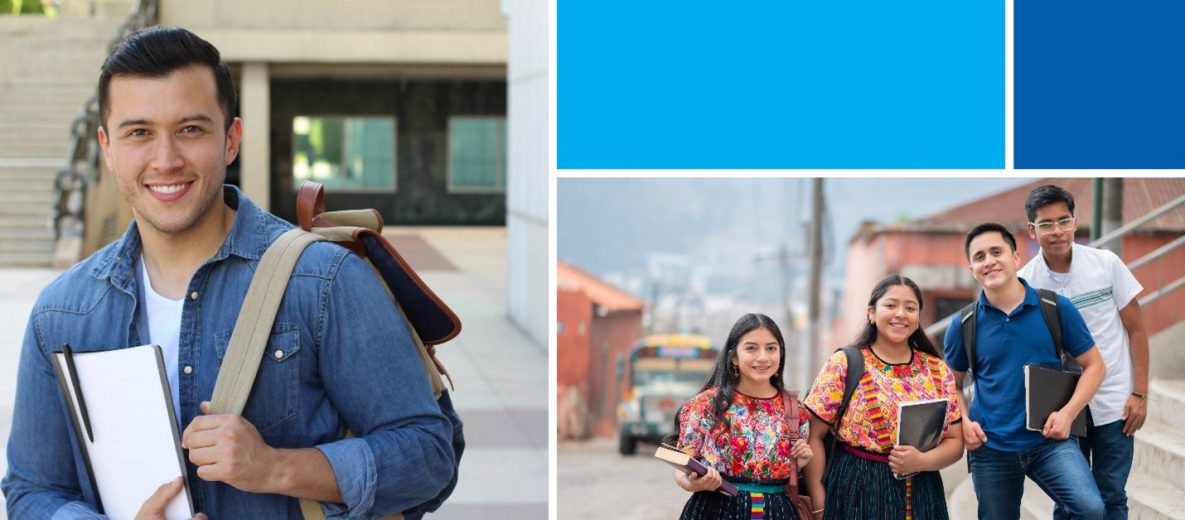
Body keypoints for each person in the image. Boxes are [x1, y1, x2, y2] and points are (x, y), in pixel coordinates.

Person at [1, 27, 454, 519]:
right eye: (139, 133)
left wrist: (276, 467)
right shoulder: (62, 312)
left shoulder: (324, 281)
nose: (166, 159)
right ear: (107, 148)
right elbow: (32, 490)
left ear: (231, 139)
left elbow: (430, 457)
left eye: (191, 129)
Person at [944, 223, 1107, 519]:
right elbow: (950, 384)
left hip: (1050, 443)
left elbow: (1095, 366)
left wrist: (1068, 413)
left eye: (997, 251)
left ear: (1016, 257)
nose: (989, 260)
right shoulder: (963, 324)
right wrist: (964, 421)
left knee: (1090, 509)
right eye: (979, 256)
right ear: (972, 269)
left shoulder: (1055, 308)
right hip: (991, 448)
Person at [1018, 185, 1148, 520]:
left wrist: (1140, 393)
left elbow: (1137, 329)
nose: (1057, 231)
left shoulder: (1107, 264)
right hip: (1059, 407)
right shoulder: (1024, 283)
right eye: (1047, 224)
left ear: (1076, 223)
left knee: (1112, 496)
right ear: (1032, 230)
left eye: (1064, 221)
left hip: (1114, 403)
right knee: (1070, 501)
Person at [802, 274, 965, 519]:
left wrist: (922, 461)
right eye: (890, 305)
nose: (900, 314)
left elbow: (955, 441)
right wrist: (818, 502)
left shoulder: (937, 371)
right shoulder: (844, 364)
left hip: (921, 492)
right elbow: (813, 436)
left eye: (910, 308)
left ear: (918, 318)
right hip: (855, 490)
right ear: (871, 313)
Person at [671, 313, 814, 520]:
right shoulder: (704, 406)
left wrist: (799, 464)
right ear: (734, 357)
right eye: (751, 348)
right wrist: (692, 483)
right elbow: (682, 467)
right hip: (715, 510)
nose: (763, 357)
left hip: (778, 513)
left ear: (781, 355)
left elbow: (790, 475)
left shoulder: (796, 411)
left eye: (771, 348)